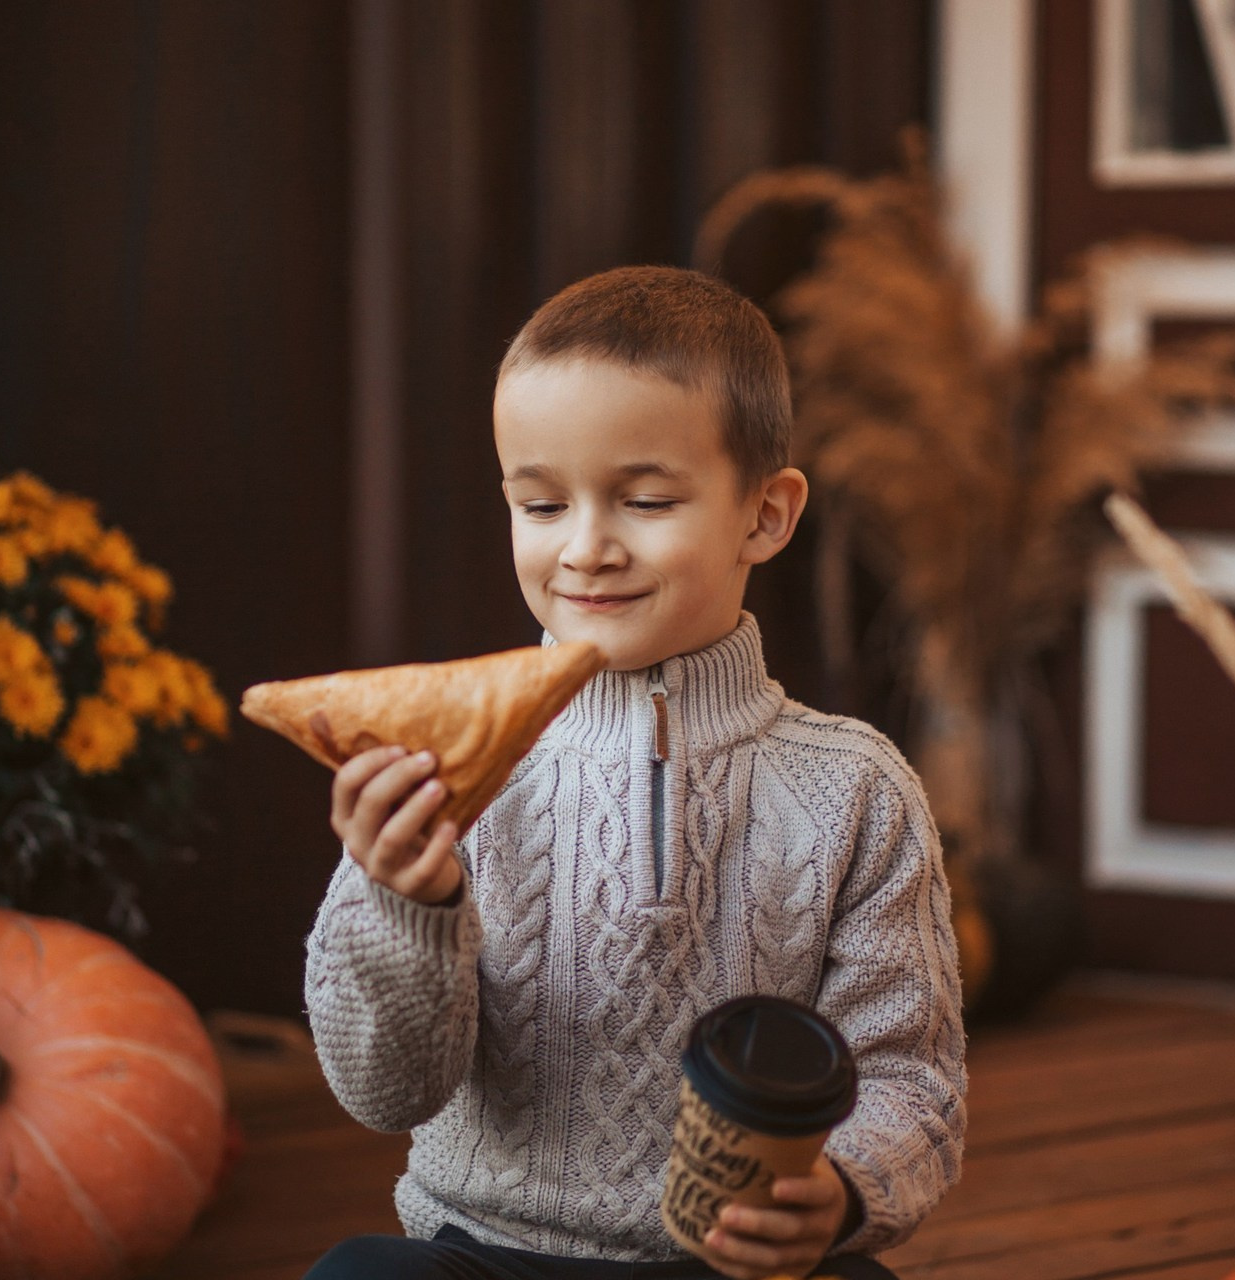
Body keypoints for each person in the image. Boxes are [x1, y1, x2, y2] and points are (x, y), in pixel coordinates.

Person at [301, 266, 966, 1280]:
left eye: (645, 498)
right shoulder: (454, 775)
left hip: (733, 1264)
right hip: (485, 1250)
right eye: (539, 502)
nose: (585, 548)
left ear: (764, 515)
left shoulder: (854, 790)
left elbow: (907, 1077)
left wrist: (835, 1193)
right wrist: (407, 900)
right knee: (361, 1274)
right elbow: (384, 1089)